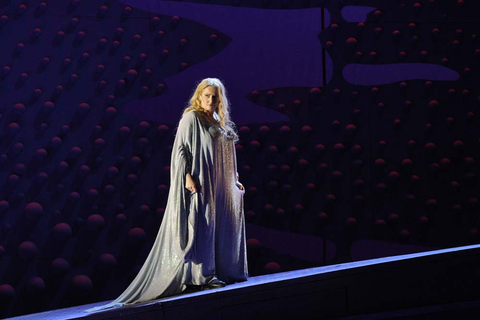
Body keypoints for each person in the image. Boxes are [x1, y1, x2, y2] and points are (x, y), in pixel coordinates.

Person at [86, 78, 248, 312]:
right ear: (199, 96)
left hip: (218, 183)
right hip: (200, 180)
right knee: (203, 224)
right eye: (207, 96)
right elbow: (180, 149)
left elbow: (224, 153)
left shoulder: (216, 120)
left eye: (215, 97)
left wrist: (234, 180)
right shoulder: (191, 117)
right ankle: (202, 276)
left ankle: (220, 270)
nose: (211, 100)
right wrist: (186, 177)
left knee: (218, 223)